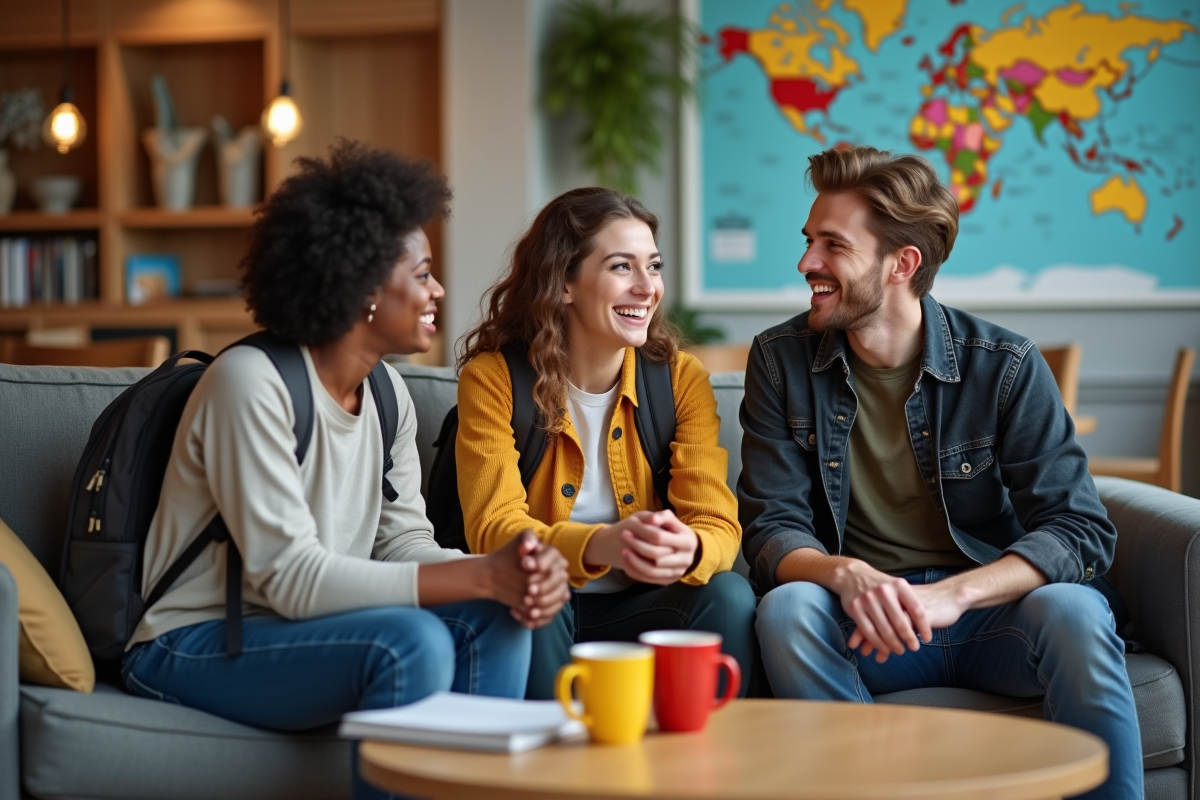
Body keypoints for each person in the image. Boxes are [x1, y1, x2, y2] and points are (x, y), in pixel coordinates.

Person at [122, 141, 570, 800]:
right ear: (363, 288)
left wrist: (510, 566)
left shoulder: (387, 395)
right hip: (192, 642)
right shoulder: (249, 384)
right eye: (421, 274)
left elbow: (403, 542)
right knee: (409, 642)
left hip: (308, 629)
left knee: (497, 610)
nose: (438, 290)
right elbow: (290, 579)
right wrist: (477, 570)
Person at [739, 146, 1139, 799]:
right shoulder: (780, 361)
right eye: (809, 241)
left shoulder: (1004, 364)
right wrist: (849, 575)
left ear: (903, 263)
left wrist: (954, 595)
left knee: (1075, 609)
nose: (806, 262)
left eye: (831, 245)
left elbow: (1078, 529)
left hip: (989, 617)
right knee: (787, 610)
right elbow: (771, 526)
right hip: (865, 621)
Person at [455, 187, 757, 699]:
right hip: (540, 611)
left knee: (728, 593)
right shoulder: (494, 379)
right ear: (565, 283)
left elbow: (717, 523)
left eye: (654, 267)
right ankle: (554, 770)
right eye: (622, 267)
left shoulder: (681, 379)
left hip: (642, 610)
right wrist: (602, 545)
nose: (647, 287)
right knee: (535, 590)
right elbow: (494, 529)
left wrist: (691, 547)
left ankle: (715, 766)